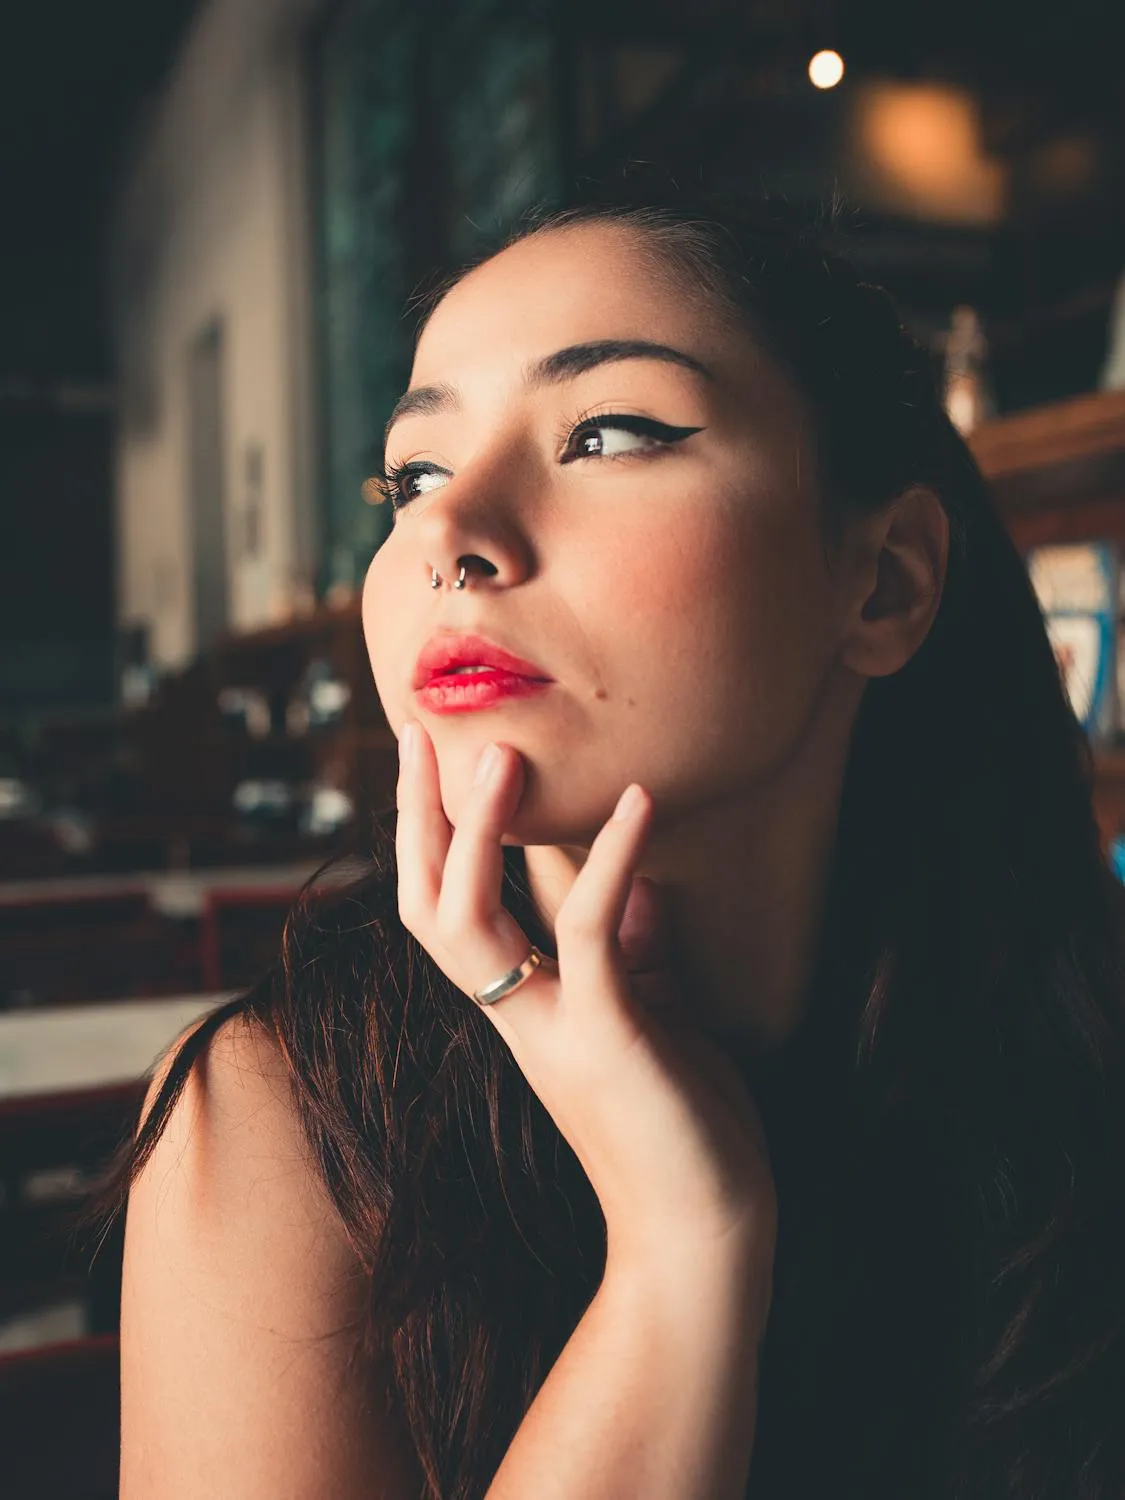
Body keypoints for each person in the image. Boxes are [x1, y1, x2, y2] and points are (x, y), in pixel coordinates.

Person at [79, 180, 1125, 1500]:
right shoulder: (282, 1124)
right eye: (415, 474)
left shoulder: (1075, 1082)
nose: (447, 533)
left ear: (887, 581)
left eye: (609, 432)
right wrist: (682, 1244)